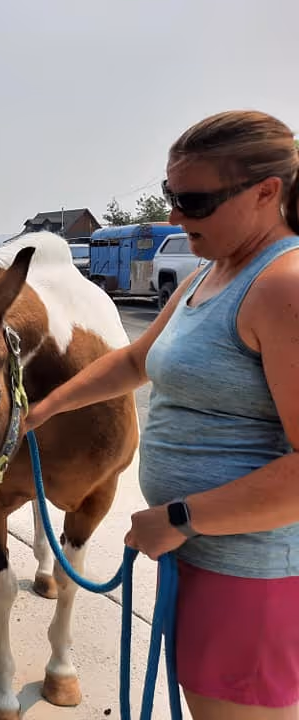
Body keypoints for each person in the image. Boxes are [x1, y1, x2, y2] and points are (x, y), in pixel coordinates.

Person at [25, 110, 299, 719]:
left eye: (194, 200)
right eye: (172, 195)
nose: (174, 217)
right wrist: (43, 408)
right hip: (200, 555)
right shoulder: (209, 273)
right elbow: (134, 361)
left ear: (266, 192)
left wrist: (181, 515)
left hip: (247, 573)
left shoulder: (285, 286)